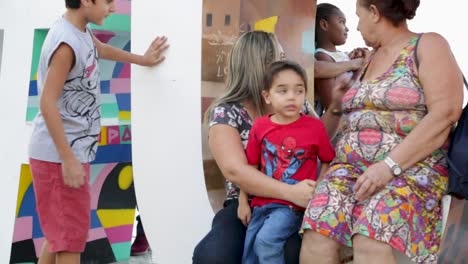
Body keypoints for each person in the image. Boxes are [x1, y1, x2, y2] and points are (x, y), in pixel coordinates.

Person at [300, 0, 464, 263]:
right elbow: (342, 120)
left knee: (372, 235)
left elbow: (445, 113)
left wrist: (388, 166)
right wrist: (337, 106)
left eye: (359, 16)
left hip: (409, 169)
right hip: (351, 171)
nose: (356, 25)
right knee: (317, 230)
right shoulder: (368, 58)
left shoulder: (428, 44)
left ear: (375, 13)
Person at [192, 30, 362, 264]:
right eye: (279, 57)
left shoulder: (292, 105)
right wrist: (290, 192)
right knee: (214, 255)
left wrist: (335, 105)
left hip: (296, 203)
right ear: (259, 64)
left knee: (290, 251)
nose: (286, 65)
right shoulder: (226, 112)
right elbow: (235, 171)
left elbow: (318, 135)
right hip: (248, 203)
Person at [28, 0, 169, 263]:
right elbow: (47, 102)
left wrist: (142, 59)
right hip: (59, 157)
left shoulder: (78, 31)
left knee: (59, 235)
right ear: (85, 1)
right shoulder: (66, 44)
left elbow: (99, 49)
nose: (113, 8)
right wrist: (68, 158)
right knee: (69, 242)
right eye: (107, 2)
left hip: (60, 155)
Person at [239, 60, 335, 264]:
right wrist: (242, 201)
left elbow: (328, 160)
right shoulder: (260, 126)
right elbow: (250, 167)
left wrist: (318, 188)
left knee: (266, 242)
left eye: (299, 91)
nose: (292, 97)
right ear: (267, 96)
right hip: (261, 203)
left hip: (292, 206)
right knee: (249, 254)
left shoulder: (314, 127)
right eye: (282, 91)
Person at [314, 3, 355, 115]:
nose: (347, 28)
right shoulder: (322, 57)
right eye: (341, 22)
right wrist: (359, 67)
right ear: (324, 25)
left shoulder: (343, 55)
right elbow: (331, 106)